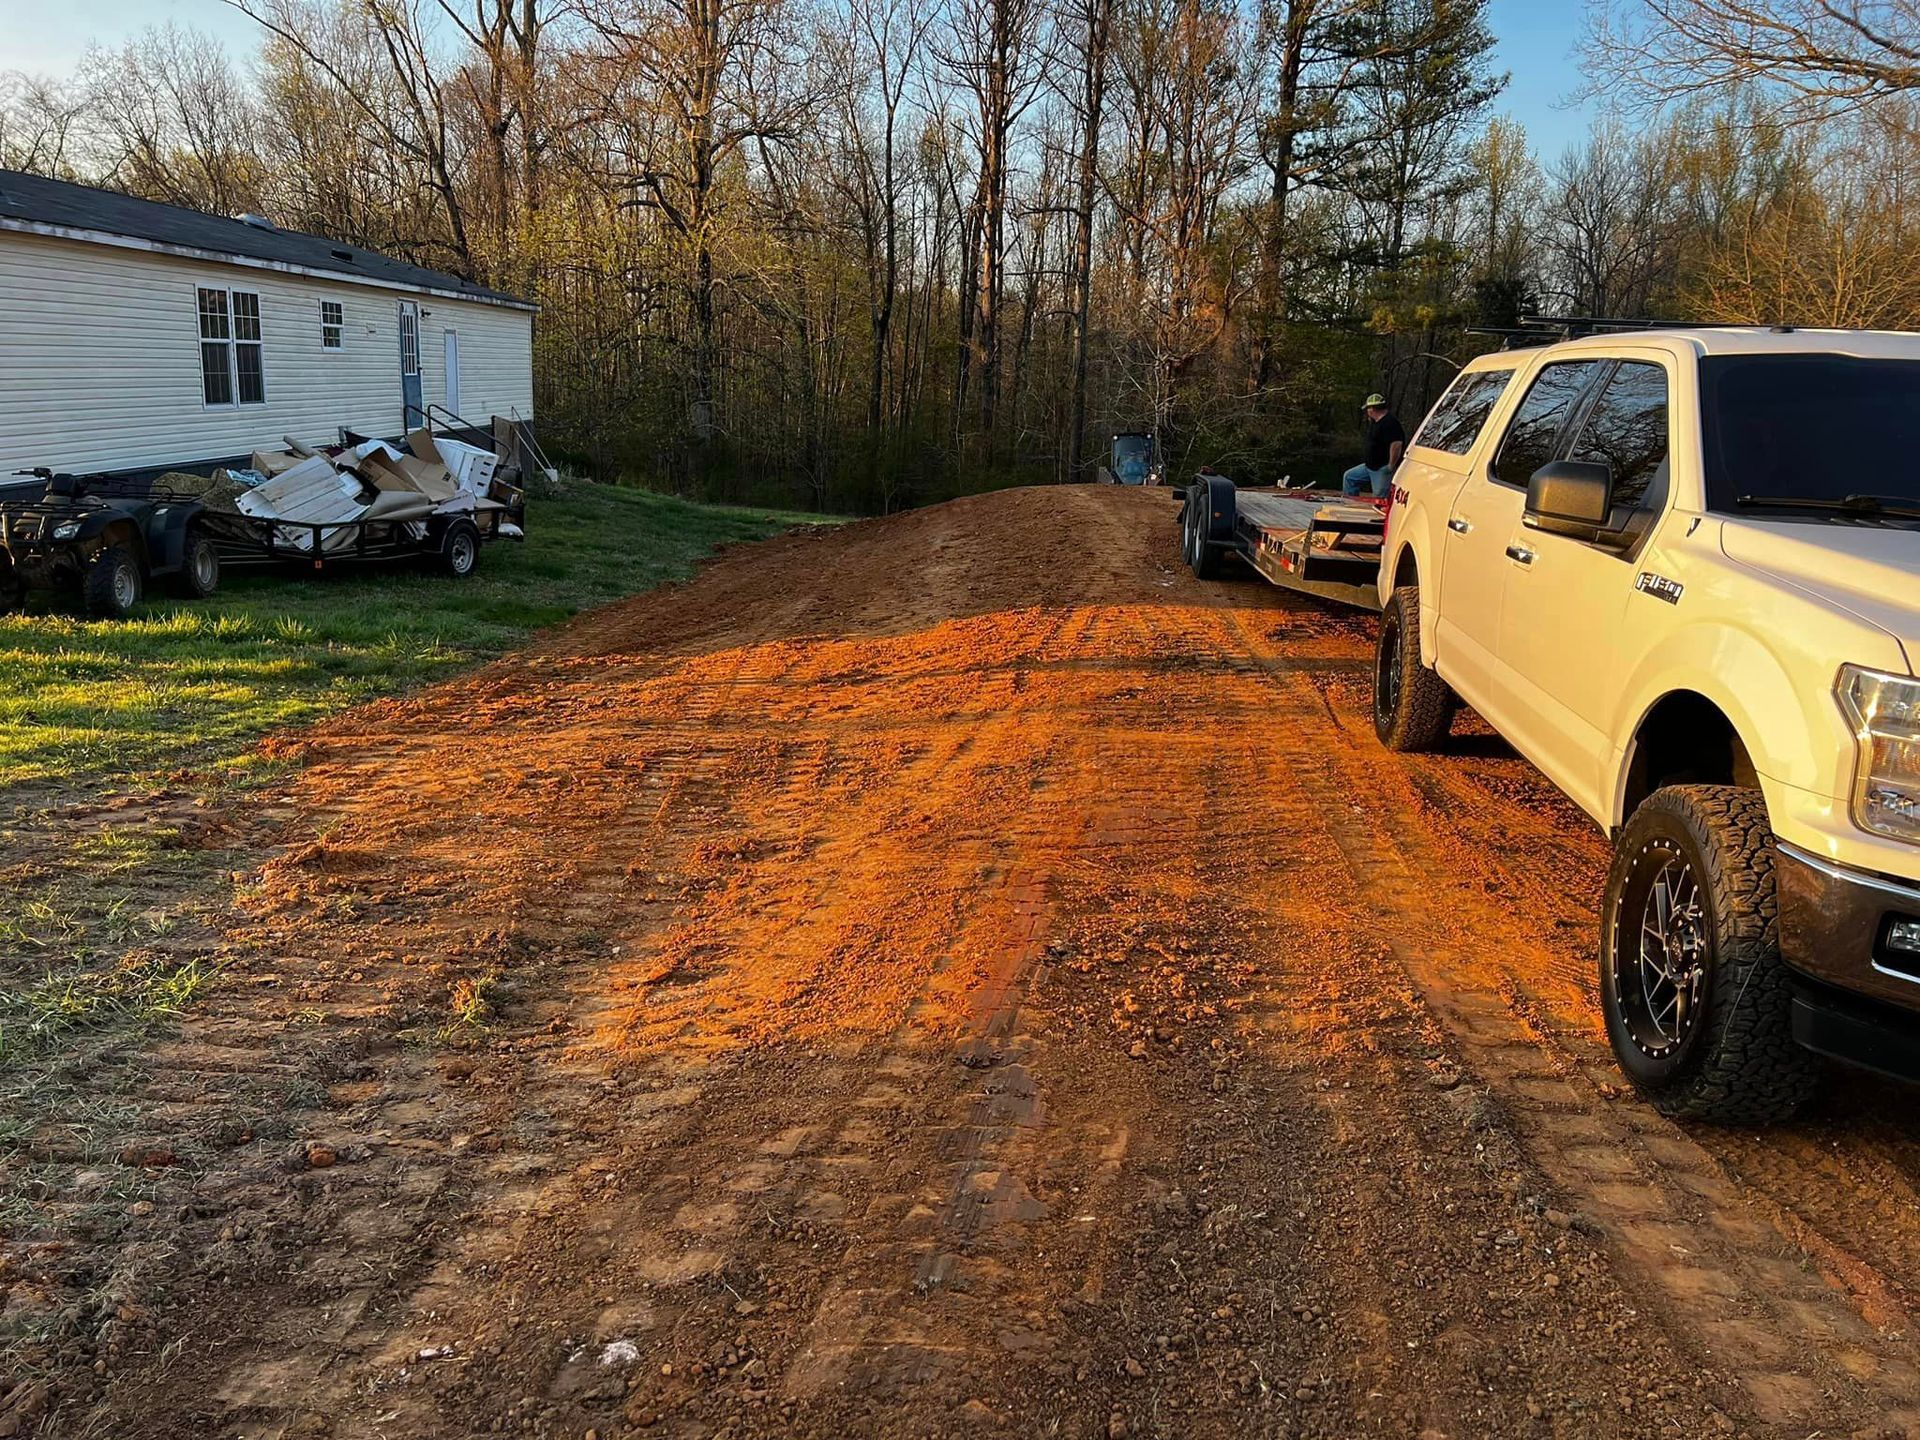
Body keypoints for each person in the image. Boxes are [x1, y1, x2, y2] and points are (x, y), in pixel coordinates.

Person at [1343, 393, 1405, 497]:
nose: (1367, 412)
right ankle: (1351, 503)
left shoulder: (1390, 423)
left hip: (1381, 467)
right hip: (1369, 466)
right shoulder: (1375, 422)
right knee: (1349, 477)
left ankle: (1378, 510)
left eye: (1368, 409)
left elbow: (1396, 444)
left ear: (1372, 409)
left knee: (1379, 497)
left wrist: (1391, 465)